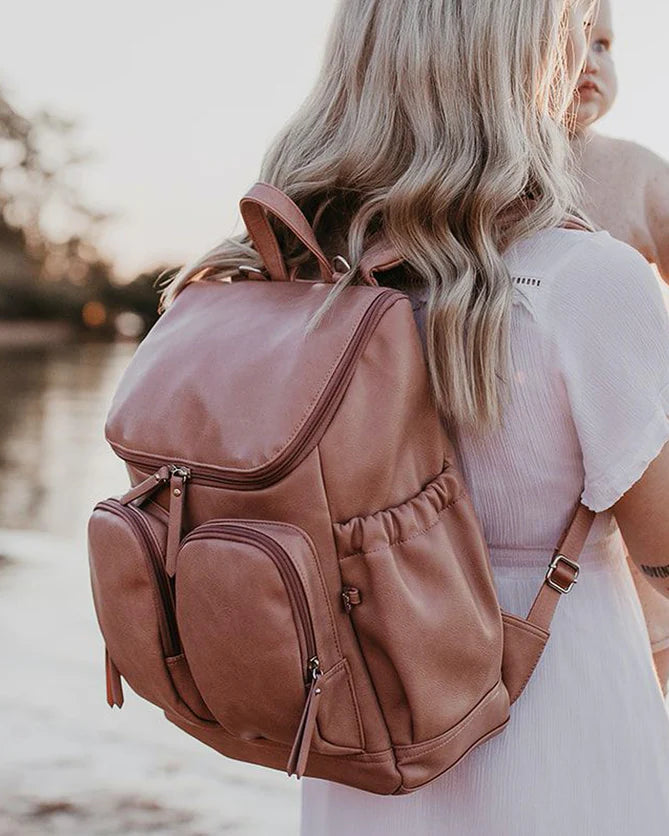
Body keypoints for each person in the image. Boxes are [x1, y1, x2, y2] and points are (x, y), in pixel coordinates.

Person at [163, 0, 669, 831]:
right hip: (553, 738)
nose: (587, 51)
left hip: (358, 745)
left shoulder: (287, 281)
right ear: (519, 51)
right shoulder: (584, 281)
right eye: (574, 23)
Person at [571, 0, 669, 696]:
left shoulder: (636, 171)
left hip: (631, 446)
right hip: (540, 462)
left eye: (604, 43)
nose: (592, 61)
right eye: (572, 41)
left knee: (652, 629)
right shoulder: (481, 176)